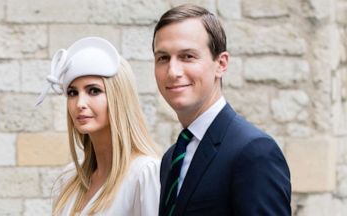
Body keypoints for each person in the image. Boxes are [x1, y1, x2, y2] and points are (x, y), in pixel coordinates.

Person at [152, 4, 291, 216]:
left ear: (221, 64)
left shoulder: (254, 152)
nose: (173, 71)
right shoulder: (171, 159)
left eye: (187, 56)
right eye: (163, 58)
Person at [36, 37, 160, 215]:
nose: (80, 103)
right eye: (72, 92)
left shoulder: (145, 173)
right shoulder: (70, 178)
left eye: (93, 91)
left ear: (119, 97)